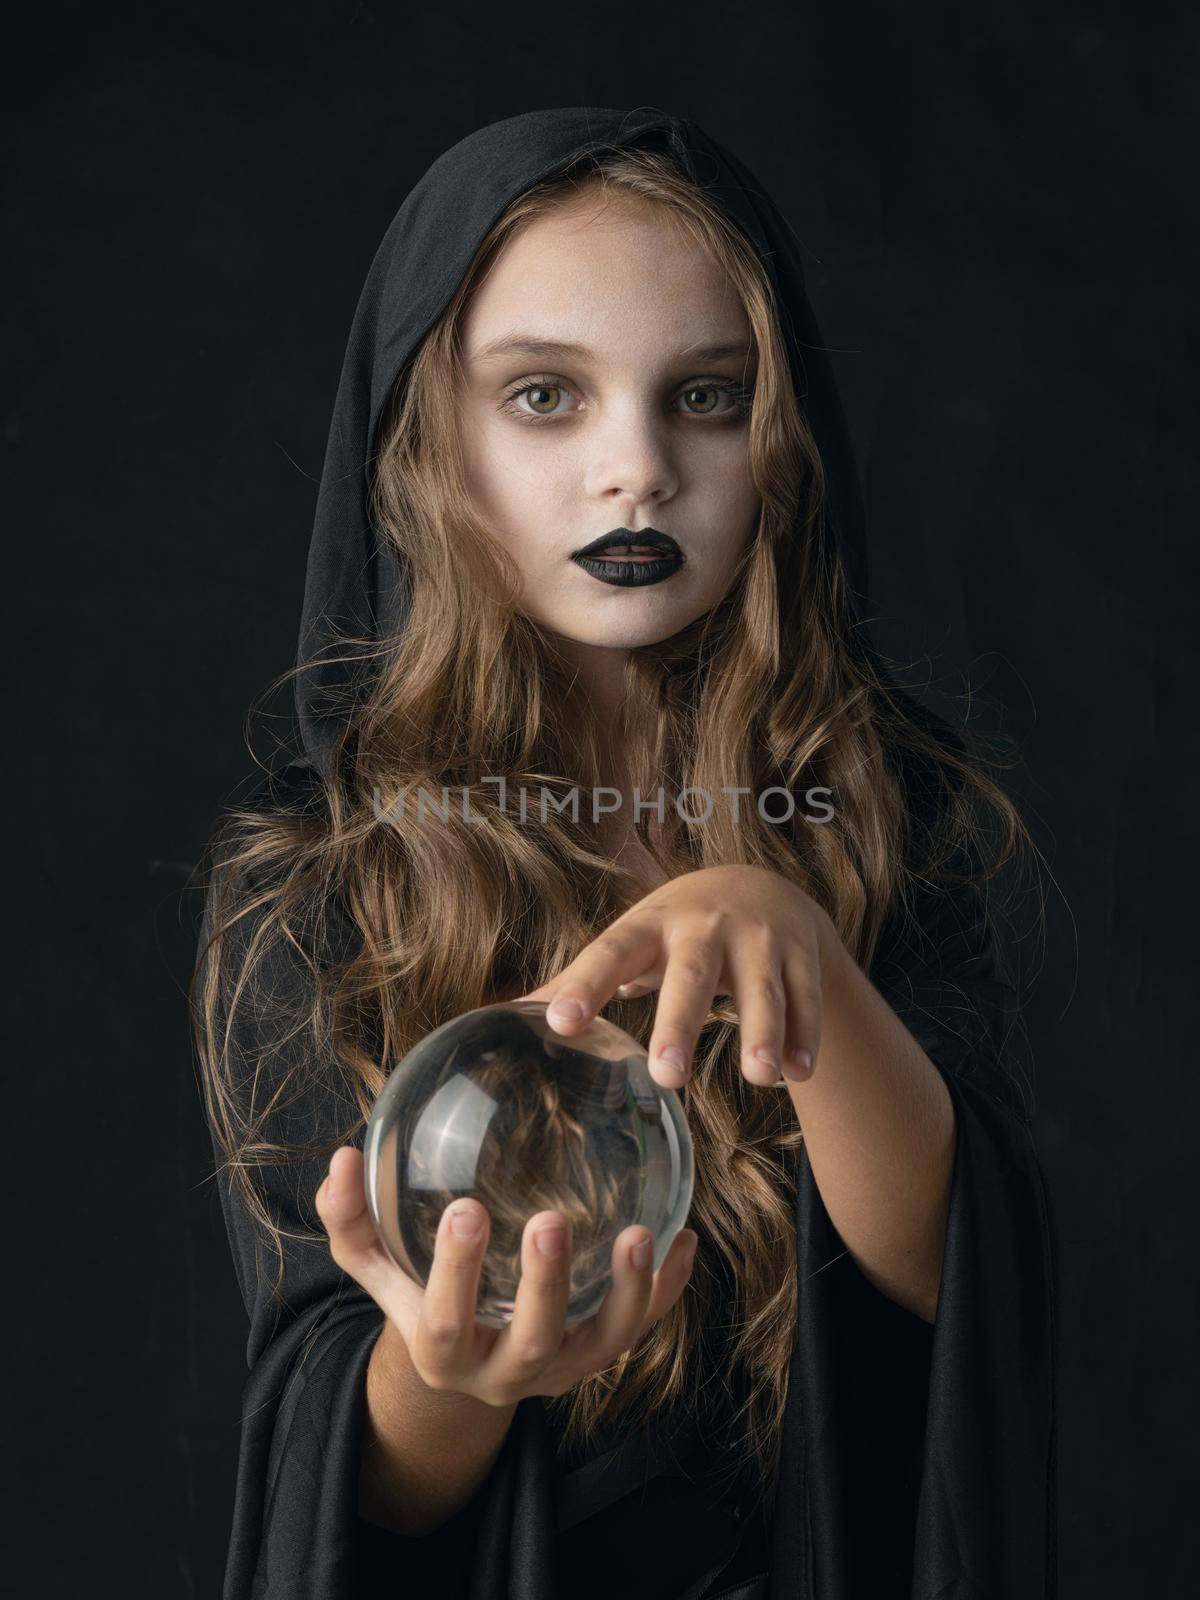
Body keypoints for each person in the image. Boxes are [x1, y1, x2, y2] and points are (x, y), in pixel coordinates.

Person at [192, 107, 1059, 1599]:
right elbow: (350, 1486)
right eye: (545, 396)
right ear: (426, 436)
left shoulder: (885, 811)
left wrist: (807, 960)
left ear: (777, 436)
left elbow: (956, 1295)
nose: (638, 469)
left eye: (707, 397)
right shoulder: (325, 882)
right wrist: (459, 1374)